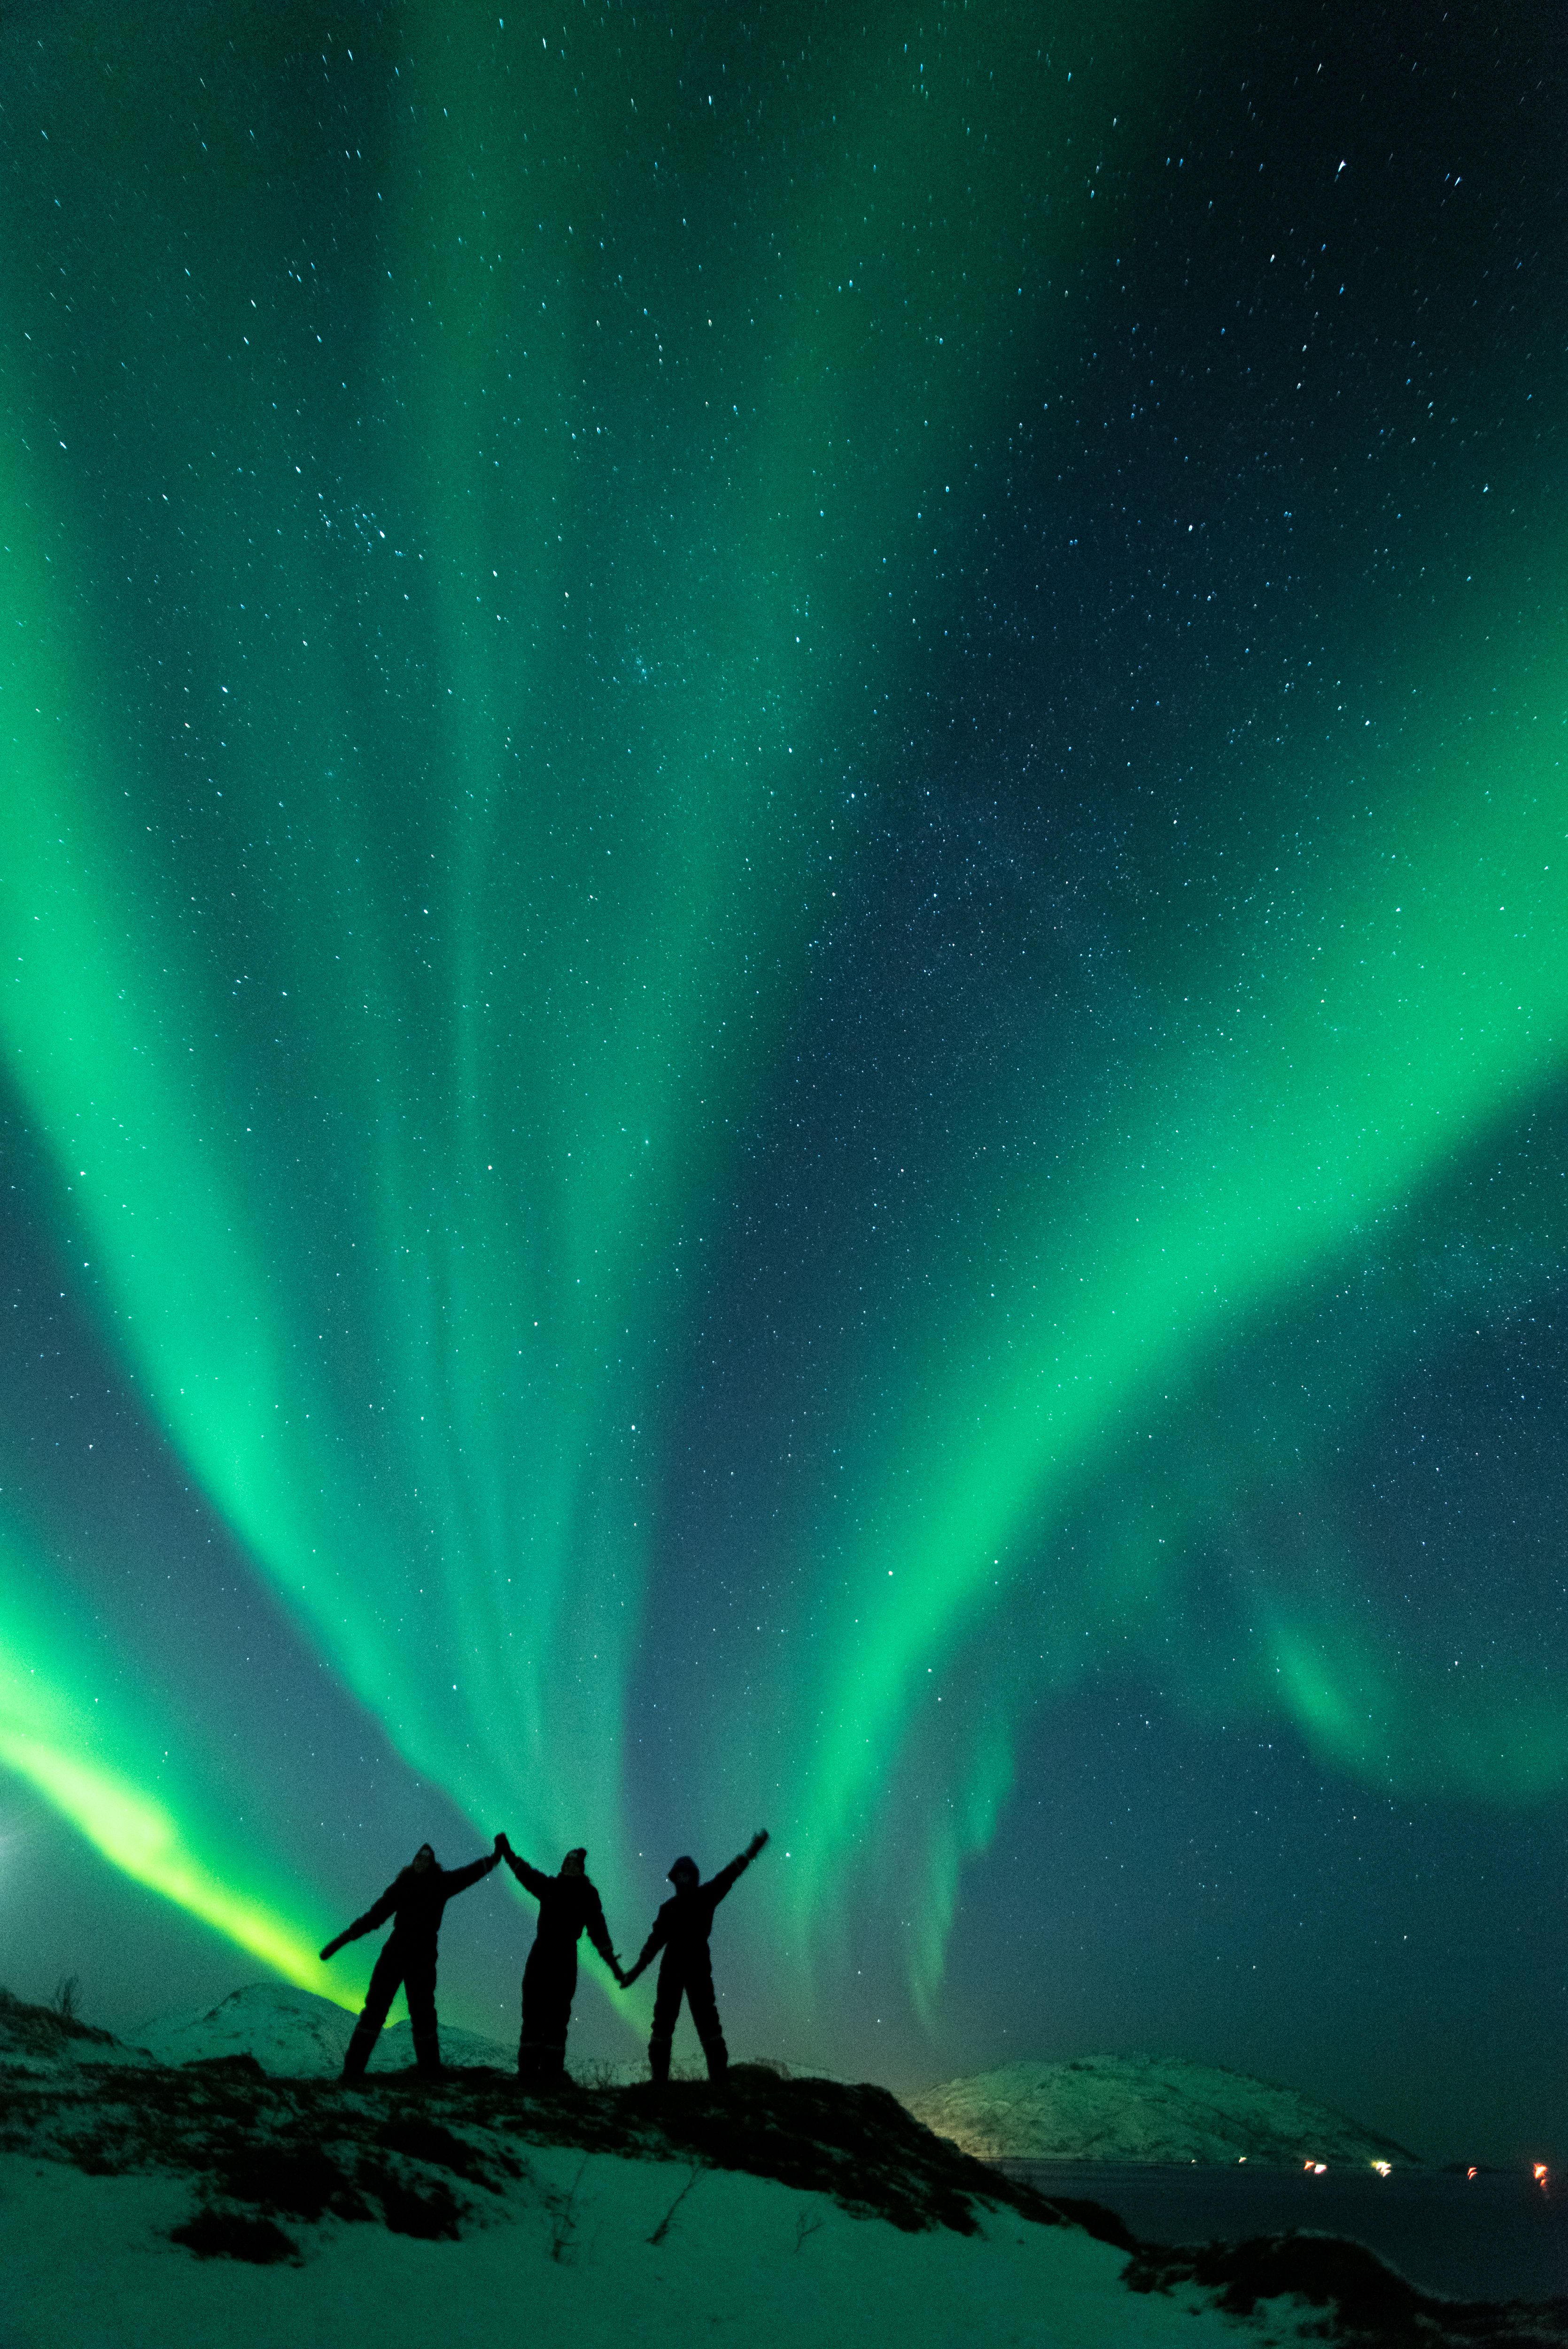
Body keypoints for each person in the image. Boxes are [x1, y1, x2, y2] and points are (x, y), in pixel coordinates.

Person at [321, 1835, 504, 2080]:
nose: (422, 1861)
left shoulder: (442, 1883)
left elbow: (468, 1874)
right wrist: (345, 1938)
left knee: (423, 2012)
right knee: (375, 2008)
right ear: (414, 1860)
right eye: (419, 1857)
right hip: (396, 1951)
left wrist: (493, 1859)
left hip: (423, 1954)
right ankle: (352, 2072)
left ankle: (429, 2071)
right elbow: (376, 1915)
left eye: (427, 1858)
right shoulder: (402, 1885)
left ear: (432, 1863)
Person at [621, 1829, 768, 2083]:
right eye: (679, 1876)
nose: (683, 1879)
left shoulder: (706, 1896)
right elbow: (654, 1942)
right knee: (664, 2023)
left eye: (686, 1875)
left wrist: (752, 1850)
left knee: (707, 2021)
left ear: (694, 1877)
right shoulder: (668, 1909)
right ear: (675, 1879)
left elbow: (730, 1874)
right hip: (672, 1970)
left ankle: (718, 2080)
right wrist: (635, 1971)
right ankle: (660, 2081)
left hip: (698, 1967)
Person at [498, 1836, 623, 2087]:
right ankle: (528, 2074)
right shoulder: (550, 1886)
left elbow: (598, 1930)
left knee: (557, 2018)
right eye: (568, 1863)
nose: (570, 1867)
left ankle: (551, 2074)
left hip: (565, 1958)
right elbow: (526, 1874)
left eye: (575, 1865)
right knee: (533, 2014)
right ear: (563, 1866)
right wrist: (508, 1853)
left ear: (581, 1869)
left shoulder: (588, 1895)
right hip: (541, 1954)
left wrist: (613, 1965)